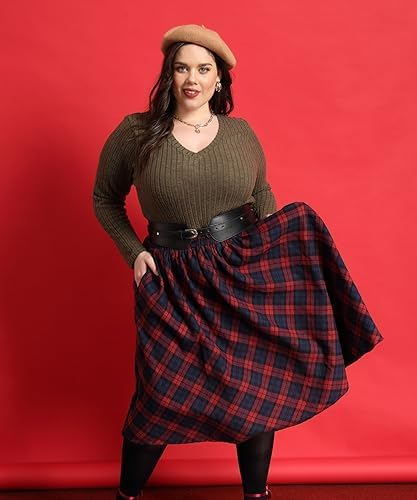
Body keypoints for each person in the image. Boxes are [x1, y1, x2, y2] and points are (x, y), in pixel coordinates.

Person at [92, 24, 384, 500]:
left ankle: (256, 494)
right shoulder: (136, 132)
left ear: (219, 79)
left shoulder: (240, 133)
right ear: (169, 74)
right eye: (182, 68)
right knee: (160, 395)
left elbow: (262, 194)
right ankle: (127, 495)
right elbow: (105, 199)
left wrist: (269, 251)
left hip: (238, 270)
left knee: (255, 387)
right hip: (170, 277)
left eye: (203, 69)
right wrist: (135, 253)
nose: (192, 78)